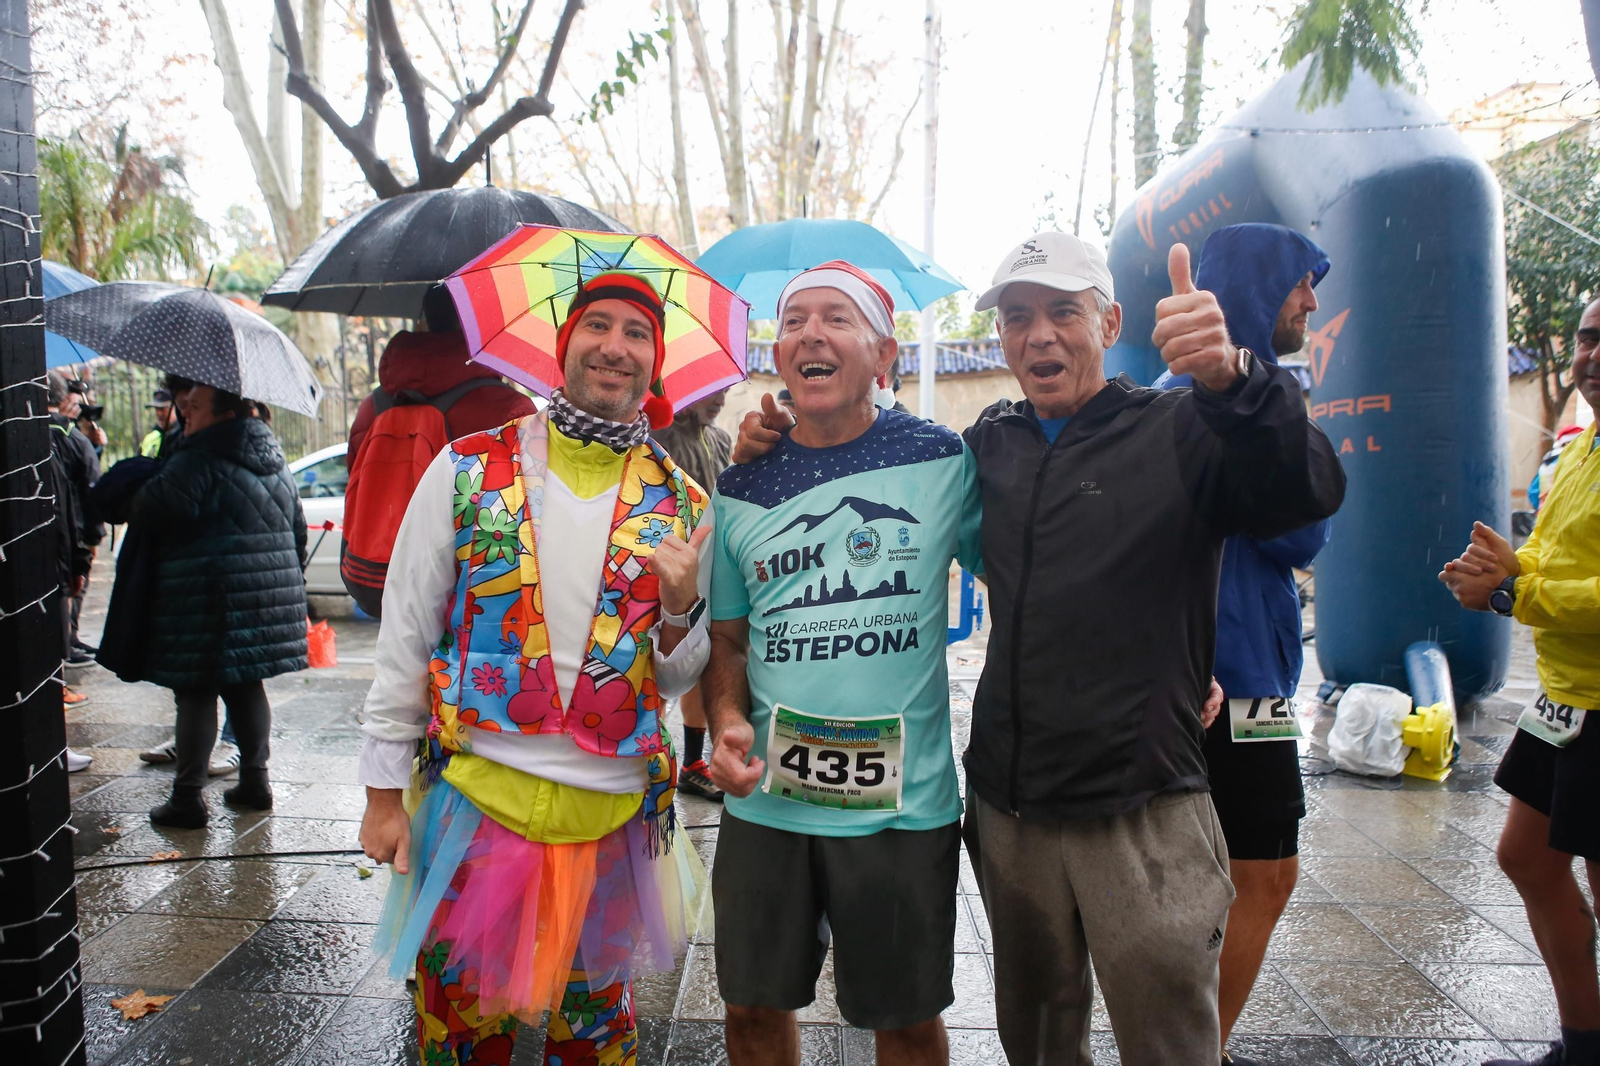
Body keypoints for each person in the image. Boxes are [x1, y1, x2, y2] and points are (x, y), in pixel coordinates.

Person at [958, 232, 1344, 1065]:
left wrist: (1237, 378)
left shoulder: (1181, 426)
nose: (1039, 336)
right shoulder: (993, 442)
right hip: (1010, 808)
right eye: (1018, 317)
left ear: (1110, 321)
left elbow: (1306, 488)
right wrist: (778, 448)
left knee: (1168, 1046)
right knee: (1036, 1042)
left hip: (1144, 813)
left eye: (1065, 311)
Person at [358, 271, 711, 1066]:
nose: (615, 346)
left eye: (637, 333)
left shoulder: (685, 502)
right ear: (563, 347)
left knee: (590, 1044)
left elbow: (681, 676)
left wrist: (683, 605)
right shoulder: (466, 468)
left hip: (612, 822)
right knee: (458, 1039)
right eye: (597, 325)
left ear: (655, 362)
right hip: (475, 808)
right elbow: (404, 637)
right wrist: (382, 797)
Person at [704, 260, 983, 1066]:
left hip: (902, 809)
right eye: (793, 321)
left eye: (836, 318)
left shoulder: (943, 459)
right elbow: (727, 641)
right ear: (778, 355)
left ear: (883, 355)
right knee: (751, 1013)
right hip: (768, 809)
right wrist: (725, 721)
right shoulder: (742, 485)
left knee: (903, 1023)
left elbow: (1042, 568)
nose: (810, 334)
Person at [1154, 224, 1334, 1066]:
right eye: (1303, 282)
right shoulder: (1217, 399)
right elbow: (1303, 539)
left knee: (1215, 882)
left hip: (1219, 679)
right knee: (1261, 874)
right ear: (1264, 289)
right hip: (1236, 690)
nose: (1312, 301)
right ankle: (1199, 1051)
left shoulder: (1205, 392)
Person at [1440, 296, 1600, 1066]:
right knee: (1526, 858)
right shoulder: (1582, 447)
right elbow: (1561, 557)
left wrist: (1514, 593)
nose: (1593, 356)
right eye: (1587, 339)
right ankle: (1582, 1041)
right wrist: (1505, 568)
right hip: (1563, 700)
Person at [128, 375, 309, 827]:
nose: (185, 404)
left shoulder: (199, 455)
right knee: (247, 685)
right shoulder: (270, 452)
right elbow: (297, 529)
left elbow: (150, 507)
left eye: (195, 400)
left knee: (195, 691)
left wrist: (162, 460)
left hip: (207, 596)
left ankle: (187, 799)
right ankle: (255, 783)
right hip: (261, 597)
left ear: (226, 409)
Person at [341, 284, 536, 616]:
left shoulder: (373, 407)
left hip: (387, 573)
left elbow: (356, 479)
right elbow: (532, 505)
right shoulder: (509, 410)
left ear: (424, 318)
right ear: (485, 324)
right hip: (479, 591)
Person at [651, 389, 733, 800]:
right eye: (712, 392)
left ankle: (694, 763)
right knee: (660, 662)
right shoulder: (659, 436)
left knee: (706, 659)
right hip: (667, 565)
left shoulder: (721, 439)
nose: (720, 399)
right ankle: (649, 751)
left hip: (713, 562)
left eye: (726, 392)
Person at [45, 371, 102, 692]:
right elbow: (93, 490)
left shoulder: (32, 432)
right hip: (69, 534)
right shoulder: (72, 438)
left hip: (59, 533)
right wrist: (90, 542)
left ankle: (67, 647)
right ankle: (60, 667)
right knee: (64, 597)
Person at [140, 388, 182, 459]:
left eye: (163, 409)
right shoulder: (151, 438)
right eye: (156, 409)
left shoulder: (184, 437)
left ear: (176, 408)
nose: (159, 413)